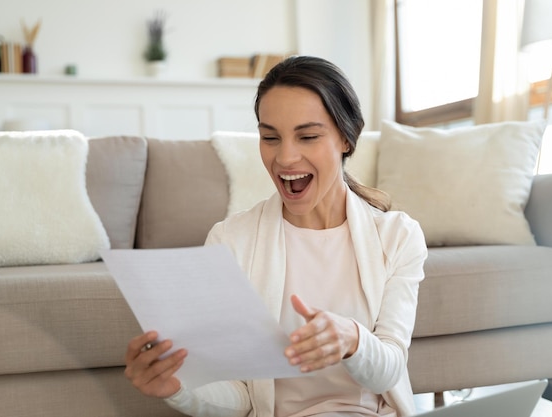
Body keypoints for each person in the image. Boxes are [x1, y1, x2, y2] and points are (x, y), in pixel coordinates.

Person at [124, 55, 428, 417]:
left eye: (308, 136)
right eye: (270, 137)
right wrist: (178, 388)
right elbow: (240, 394)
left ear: (346, 137)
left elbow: (389, 370)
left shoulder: (397, 236)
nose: (284, 157)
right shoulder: (230, 241)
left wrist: (353, 339)